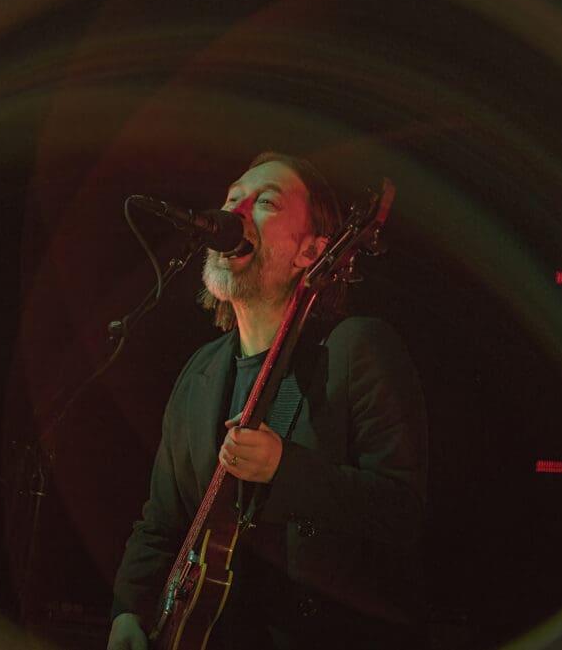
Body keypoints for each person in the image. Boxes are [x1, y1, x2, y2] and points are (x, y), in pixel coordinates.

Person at [107, 152, 428, 650]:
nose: (235, 211)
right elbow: (162, 522)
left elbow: (402, 512)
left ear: (311, 251)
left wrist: (286, 468)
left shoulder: (355, 349)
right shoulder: (199, 373)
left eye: (266, 202)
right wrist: (130, 608)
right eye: (233, 198)